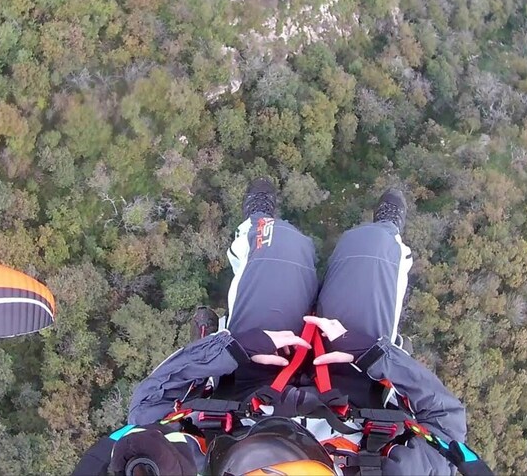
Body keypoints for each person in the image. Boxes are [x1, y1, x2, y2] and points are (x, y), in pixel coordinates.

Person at [74, 179, 491, 476]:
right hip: (355, 380)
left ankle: (260, 220)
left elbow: (150, 403)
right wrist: (374, 354)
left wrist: (233, 349)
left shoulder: (179, 466)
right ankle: (385, 230)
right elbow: (444, 423)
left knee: (274, 249)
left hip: (253, 373)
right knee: (373, 253)